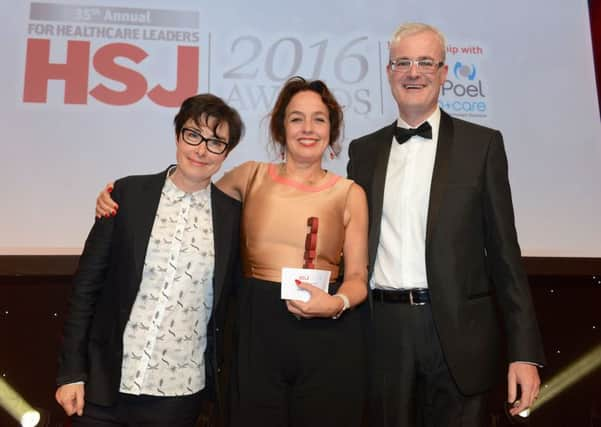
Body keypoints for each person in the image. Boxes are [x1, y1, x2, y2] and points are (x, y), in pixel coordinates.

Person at [96, 76, 370, 427]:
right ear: (279, 127)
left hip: (328, 335)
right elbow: (187, 197)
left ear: (332, 129)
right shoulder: (249, 176)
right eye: (296, 118)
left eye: (319, 119)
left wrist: (335, 304)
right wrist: (118, 194)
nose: (308, 128)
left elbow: (359, 277)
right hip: (253, 330)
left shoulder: (350, 192)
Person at [347, 22, 545, 427]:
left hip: (459, 333)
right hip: (383, 332)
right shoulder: (362, 152)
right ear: (388, 72)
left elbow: (506, 254)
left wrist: (524, 352)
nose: (413, 72)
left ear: (443, 71)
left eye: (425, 62)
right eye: (402, 62)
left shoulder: (483, 145)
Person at [55, 94, 244, 427]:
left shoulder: (233, 218)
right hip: (103, 385)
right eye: (193, 135)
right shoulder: (126, 195)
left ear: (226, 153)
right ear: (177, 136)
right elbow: (85, 289)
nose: (201, 150)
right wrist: (71, 372)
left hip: (178, 394)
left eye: (216, 142)